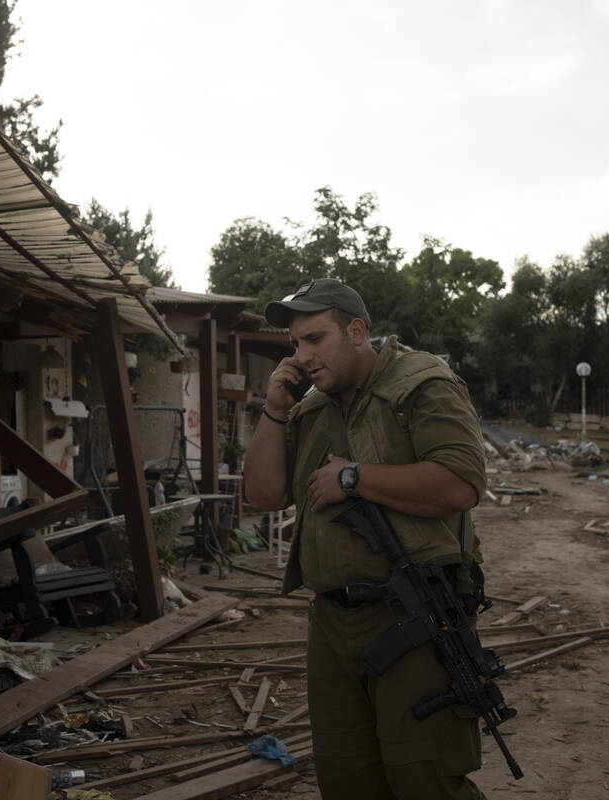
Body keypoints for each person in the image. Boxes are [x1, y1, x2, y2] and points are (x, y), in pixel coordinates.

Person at [243, 278, 489, 799]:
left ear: (356, 331)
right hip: (332, 624)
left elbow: (462, 481)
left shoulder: (421, 384)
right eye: (296, 345)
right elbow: (264, 495)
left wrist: (353, 477)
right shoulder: (309, 407)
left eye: (315, 339)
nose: (303, 356)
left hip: (412, 616)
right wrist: (275, 407)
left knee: (426, 780)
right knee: (347, 779)